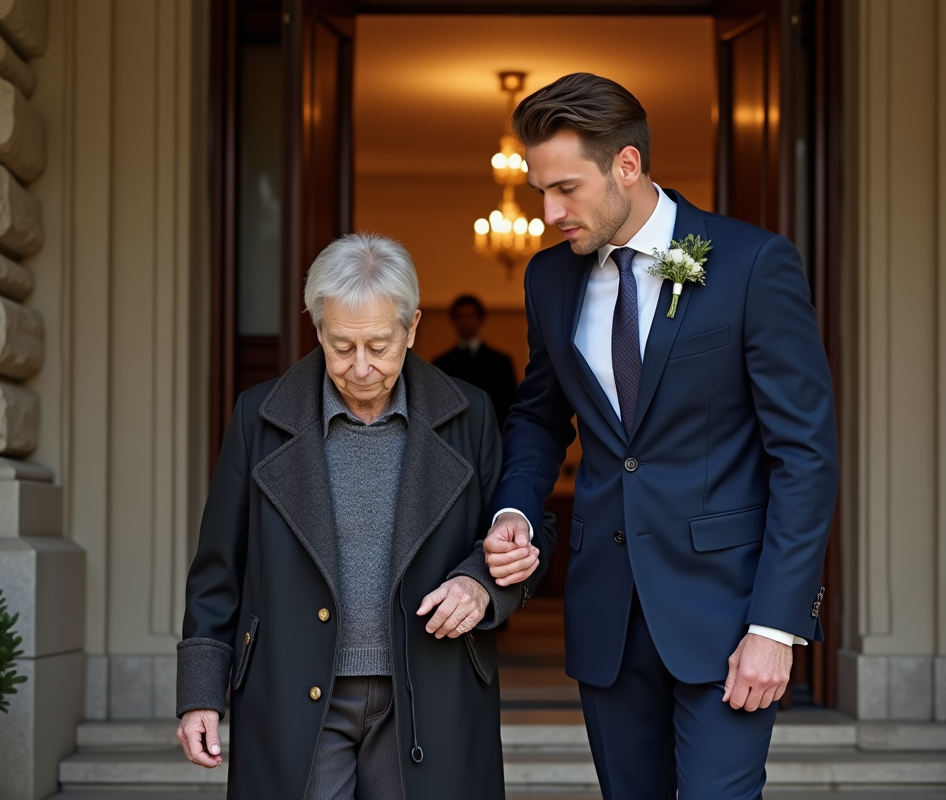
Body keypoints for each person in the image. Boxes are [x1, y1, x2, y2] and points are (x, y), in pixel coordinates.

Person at [483, 73, 838, 800]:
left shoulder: (750, 264)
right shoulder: (549, 279)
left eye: (566, 189)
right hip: (606, 617)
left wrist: (777, 625)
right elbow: (540, 415)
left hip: (727, 618)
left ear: (627, 166)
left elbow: (804, 455)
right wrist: (515, 509)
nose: (549, 213)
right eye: (540, 190)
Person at [174, 233, 552, 799]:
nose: (360, 368)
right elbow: (217, 569)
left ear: (413, 326)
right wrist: (201, 692)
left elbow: (524, 533)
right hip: (294, 687)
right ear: (318, 328)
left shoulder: (469, 413)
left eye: (379, 346)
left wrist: (482, 584)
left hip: (428, 689)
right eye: (341, 346)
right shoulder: (258, 416)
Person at [433, 295, 520, 428]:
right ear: (454, 320)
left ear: (480, 319)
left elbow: (510, 404)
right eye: (460, 317)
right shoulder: (441, 363)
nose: (466, 322)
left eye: (471, 316)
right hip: (455, 434)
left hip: (492, 431)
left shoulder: (500, 362)